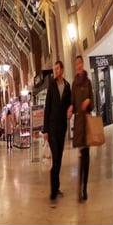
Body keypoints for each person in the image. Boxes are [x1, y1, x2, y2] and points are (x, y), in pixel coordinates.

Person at [42, 60, 72, 202]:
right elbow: (47, 108)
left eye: (57, 68)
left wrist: (71, 109)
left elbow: (69, 104)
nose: (55, 71)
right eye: (54, 69)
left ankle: (56, 187)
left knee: (59, 158)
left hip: (62, 127)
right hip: (52, 128)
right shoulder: (51, 86)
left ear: (62, 69)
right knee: (55, 159)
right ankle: (53, 191)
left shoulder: (67, 86)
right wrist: (45, 130)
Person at [67, 55, 94, 202]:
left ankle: (84, 188)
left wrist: (89, 101)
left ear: (83, 64)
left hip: (87, 121)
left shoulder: (88, 82)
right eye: (75, 63)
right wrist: (71, 108)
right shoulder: (74, 84)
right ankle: (80, 187)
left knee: (86, 156)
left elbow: (93, 101)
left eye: (79, 63)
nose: (78, 66)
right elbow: (72, 101)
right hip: (78, 123)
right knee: (82, 154)